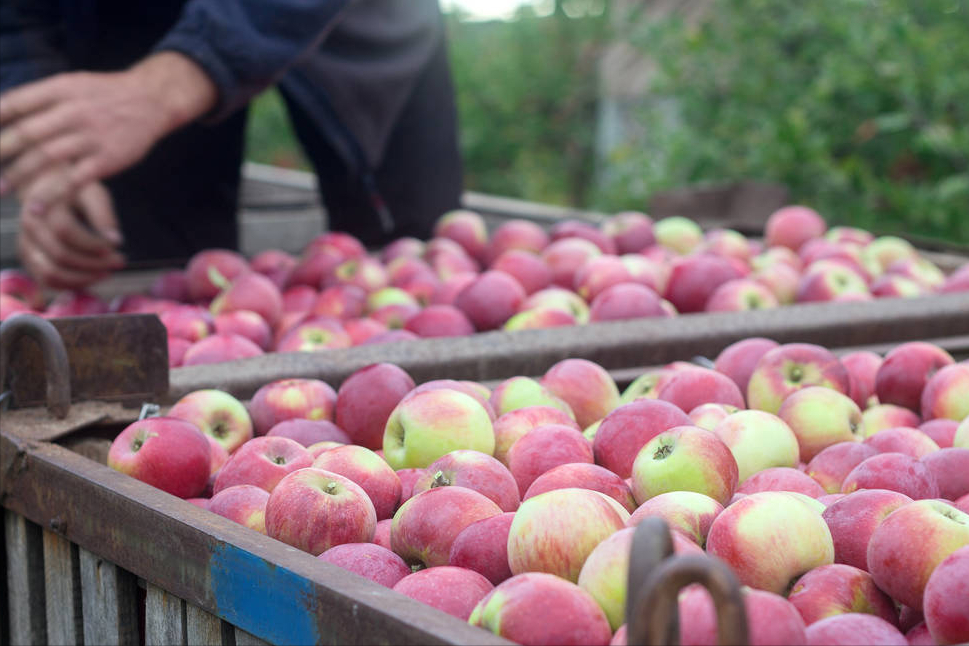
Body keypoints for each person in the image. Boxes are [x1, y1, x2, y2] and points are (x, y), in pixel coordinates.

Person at [0, 0, 464, 289]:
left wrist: (173, 82)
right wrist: (49, 143)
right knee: (158, 281)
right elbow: (16, 20)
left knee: (416, 265)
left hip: (347, 15)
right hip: (126, 21)